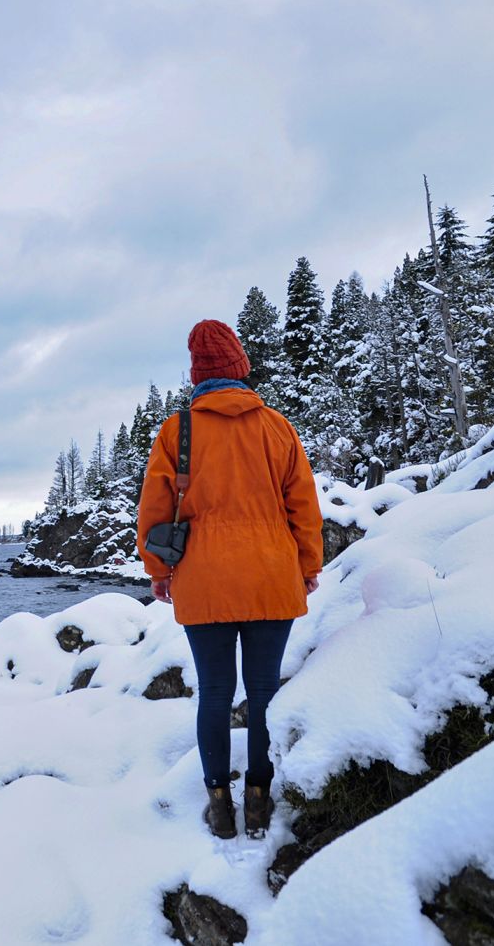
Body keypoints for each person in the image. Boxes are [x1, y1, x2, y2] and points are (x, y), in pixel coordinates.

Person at [136, 319, 323, 840]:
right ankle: (258, 797)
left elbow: (154, 509)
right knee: (263, 692)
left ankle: (219, 803)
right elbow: (304, 506)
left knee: (215, 693)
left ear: (197, 375)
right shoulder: (277, 426)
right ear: (241, 368)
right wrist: (308, 566)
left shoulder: (178, 431)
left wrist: (158, 571)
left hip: (204, 581)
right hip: (270, 576)